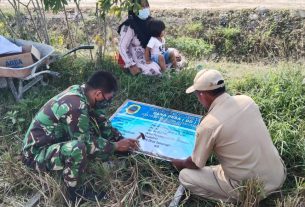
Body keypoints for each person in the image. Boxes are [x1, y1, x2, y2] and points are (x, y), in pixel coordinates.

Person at [21, 71, 139, 203]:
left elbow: (100, 119)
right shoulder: (76, 106)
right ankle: (74, 194)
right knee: (78, 148)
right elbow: (87, 145)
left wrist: (118, 138)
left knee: (88, 133)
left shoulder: (82, 92)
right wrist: (115, 146)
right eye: (108, 99)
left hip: (50, 143)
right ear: (98, 94)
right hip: (35, 155)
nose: (108, 103)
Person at [172, 69, 286, 202]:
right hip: (278, 176)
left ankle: (241, 198)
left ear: (202, 95)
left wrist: (178, 163)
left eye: (197, 95)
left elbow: (195, 164)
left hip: (252, 188)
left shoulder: (208, 125)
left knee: (185, 176)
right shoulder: (247, 101)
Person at [117, 0, 182, 76]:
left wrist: (168, 51)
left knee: (174, 53)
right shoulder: (129, 26)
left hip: (154, 54)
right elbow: (122, 47)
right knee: (154, 69)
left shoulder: (150, 22)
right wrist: (131, 65)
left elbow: (159, 39)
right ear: (134, 9)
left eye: (146, 6)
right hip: (139, 59)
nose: (145, 9)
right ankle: (165, 70)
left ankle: (169, 67)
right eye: (142, 7)